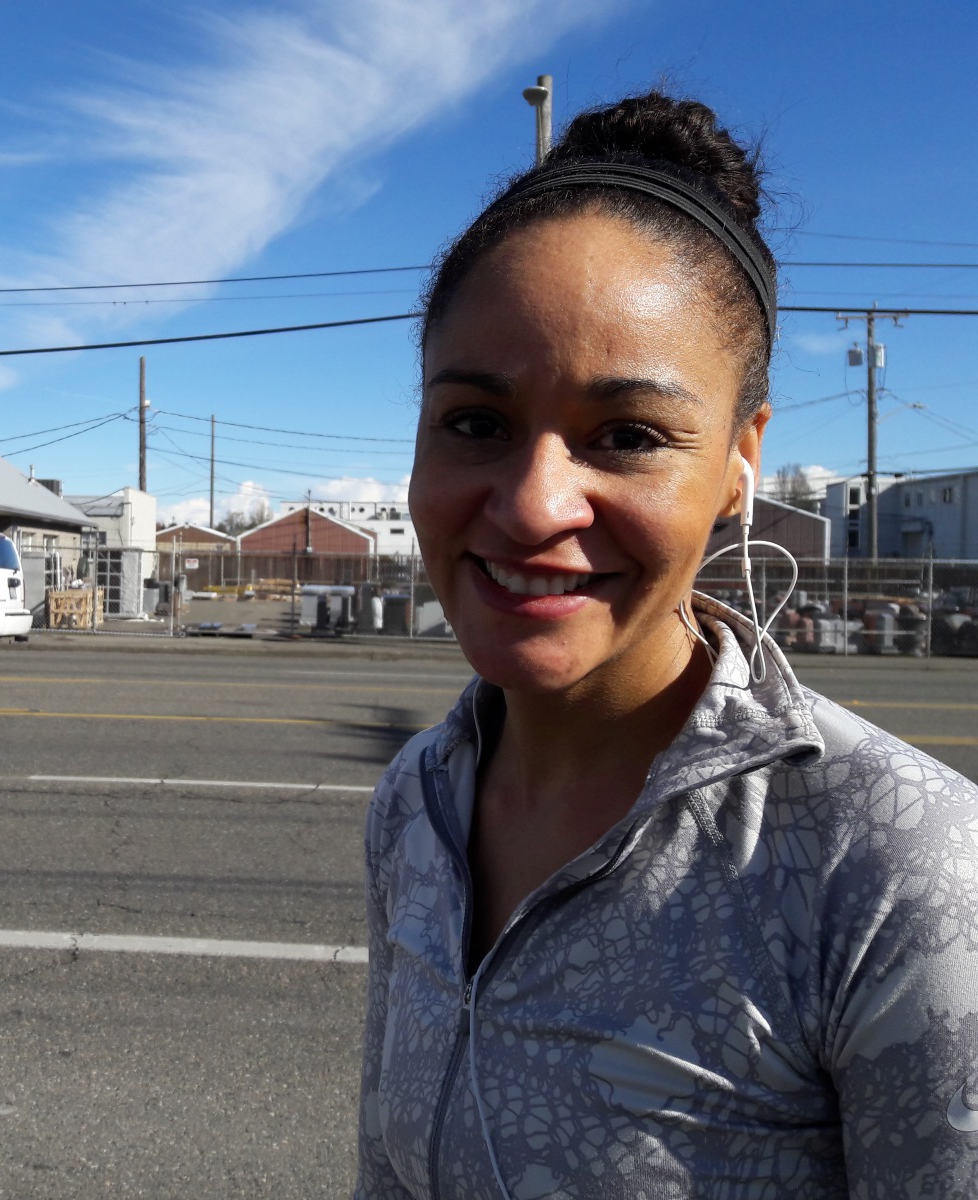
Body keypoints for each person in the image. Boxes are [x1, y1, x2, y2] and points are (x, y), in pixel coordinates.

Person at [355, 92, 978, 1198]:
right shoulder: (415, 805)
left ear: (741, 458)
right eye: (474, 422)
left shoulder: (896, 869)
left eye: (628, 436)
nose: (535, 503)